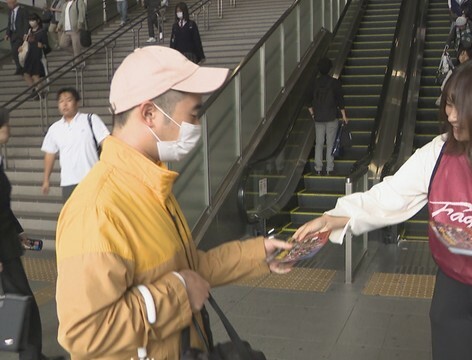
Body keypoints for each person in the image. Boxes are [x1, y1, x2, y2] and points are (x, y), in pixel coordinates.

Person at [293, 59, 472, 360]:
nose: (450, 115)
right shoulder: (439, 152)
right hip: (453, 291)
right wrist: (334, 218)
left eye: (458, 107)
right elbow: (391, 195)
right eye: (448, 105)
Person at [54, 46, 294, 359]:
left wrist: (258, 254)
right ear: (150, 113)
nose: (197, 125)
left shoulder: (151, 187)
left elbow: (189, 269)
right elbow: (85, 333)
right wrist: (178, 294)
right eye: (193, 114)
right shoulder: (98, 209)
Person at [0, 109, 64, 360]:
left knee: (21, 301)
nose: (10, 129)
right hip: (2, 250)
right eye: (7, 124)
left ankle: (31, 354)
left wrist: (17, 232)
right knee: (23, 301)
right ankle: (30, 355)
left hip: (7, 242)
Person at [41, 87, 110, 202]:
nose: (65, 104)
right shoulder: (54, 129)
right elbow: (50, 154)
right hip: (68, 182)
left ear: (77, 102)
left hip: (92, 179)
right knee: (73, 218)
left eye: (68, 100)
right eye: (61, 101)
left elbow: (106, 143)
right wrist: (46, 180)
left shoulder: (91, 119)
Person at [307, 57, 348, 176]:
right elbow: (340, 100)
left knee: (319, 143)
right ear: (330, 69)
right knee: (330, 143)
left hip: (318, 118)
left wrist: (313, 114)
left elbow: (308, 101)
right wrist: (344, 116)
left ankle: (318, 168)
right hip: (331, 117)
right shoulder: (334, 83)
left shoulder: (314, 83)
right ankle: (330, 168)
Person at [21, 13, 50, 99]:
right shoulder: (29, 31)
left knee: (35, 75)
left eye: (33, 20)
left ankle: (40, 92)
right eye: (30, 20)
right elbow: (25, 43)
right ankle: (35, 91)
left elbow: (47, 46)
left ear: (37, 21)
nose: (31, 22)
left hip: (38, 56)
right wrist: (22, 45)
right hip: (29, 55)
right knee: (26, 74)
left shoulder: (42, 31)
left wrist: (42, 45)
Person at [56, 0, 87, 67]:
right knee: (62, 44)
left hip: (75, 29)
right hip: (66, 29)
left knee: (76, 46)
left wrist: (80, 24)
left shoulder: (78, 2)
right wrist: (59, 25)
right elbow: (62, 17)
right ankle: (79, 55)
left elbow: (82, 13)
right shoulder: (65, 4)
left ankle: (78, 63)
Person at [4, 0, 29, 75]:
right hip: (13, 35)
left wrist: (25, 33)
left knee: (15, 51)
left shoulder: (22, 10)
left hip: (20, 35)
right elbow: (9, 23)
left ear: (15, 3)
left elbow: (25, 22)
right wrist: (7, 34)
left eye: (9, 3)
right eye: (7, 4)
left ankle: (21, 68)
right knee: (14, 52)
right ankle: (20, 67)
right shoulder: (10, 12)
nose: (8, 5)